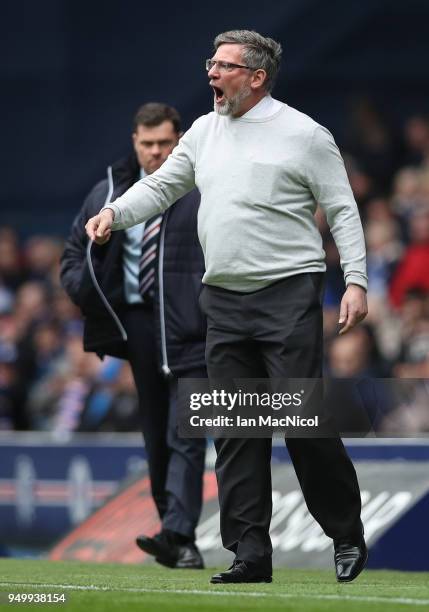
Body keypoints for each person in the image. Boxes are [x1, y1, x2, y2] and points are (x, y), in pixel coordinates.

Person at [85, 31, 369, 584]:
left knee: (301, 422)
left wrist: (355, 280)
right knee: (236, 431)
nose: (211, 73)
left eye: (224, 65)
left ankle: (345, 532)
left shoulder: (305, 134)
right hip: (224, 299)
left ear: (257, 77)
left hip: (288, 292)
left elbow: (342, 208)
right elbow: (164, 186)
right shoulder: (204, 131)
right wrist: (114, 214)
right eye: (210, 63)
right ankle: (250, 553)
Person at [61, 102, 206, 569]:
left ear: (179, 139)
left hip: (191, 324)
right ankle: (177, 536)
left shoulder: (200, 187)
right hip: (139, 325)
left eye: (165, 143)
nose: (156, 153)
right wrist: (88, 294)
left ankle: (178, 531)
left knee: (187, 428)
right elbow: (72, 256)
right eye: (148, 144)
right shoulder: (109, 191)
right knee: (156, 435)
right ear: (134, 143)